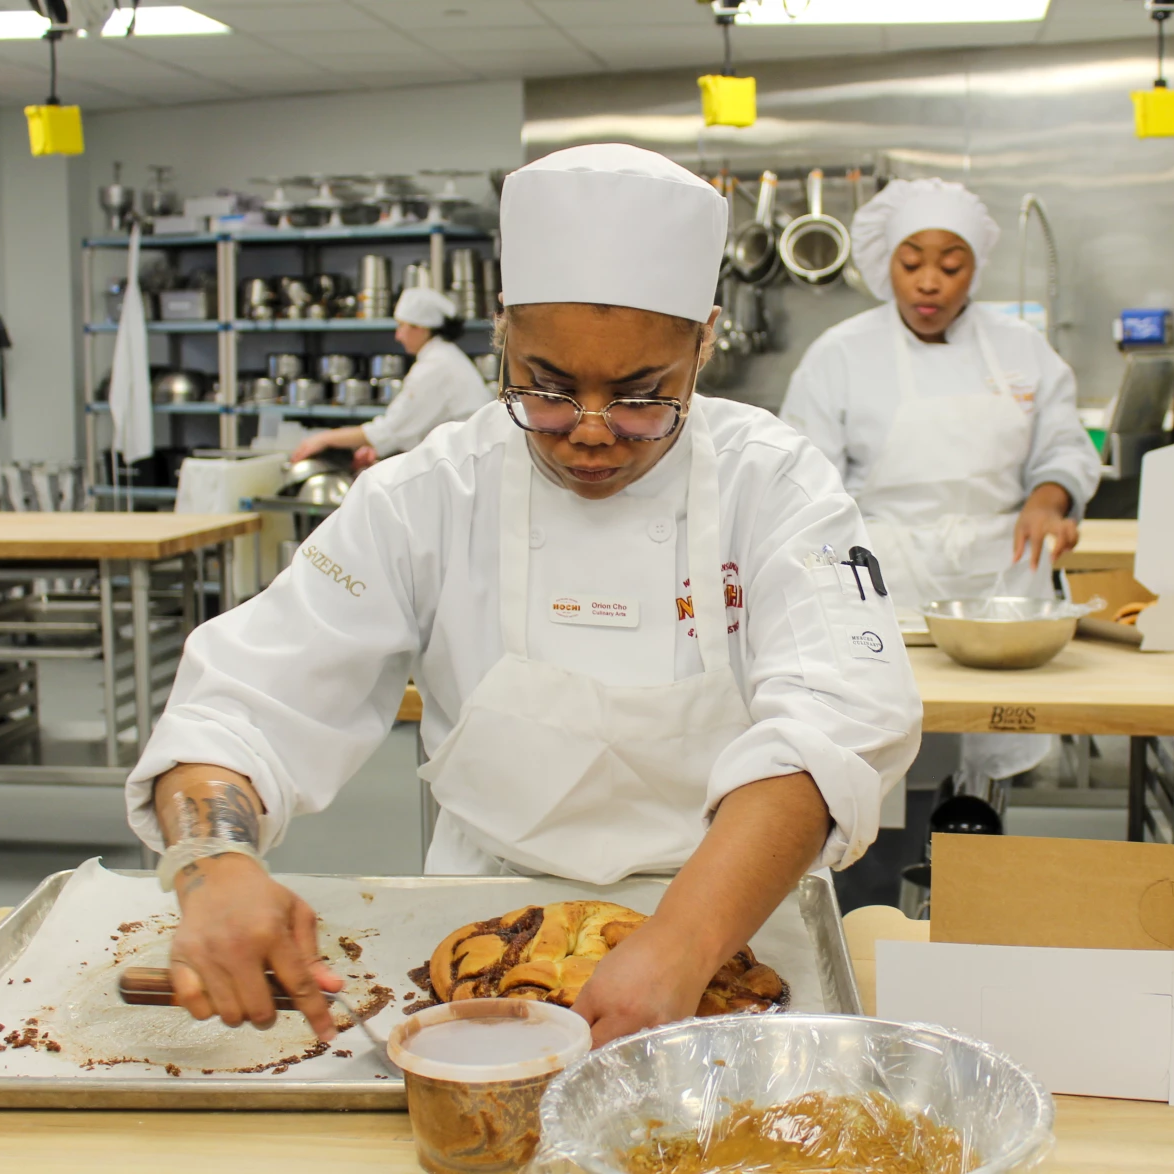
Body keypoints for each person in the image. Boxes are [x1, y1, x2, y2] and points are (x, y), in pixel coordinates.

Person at [125, 144, 922, 1050]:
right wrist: (211, 860)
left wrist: (683, 939)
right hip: (484, 921)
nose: (589, 435)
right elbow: (246, 701)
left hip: (730, 926)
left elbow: (839, 718)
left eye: (640, 398)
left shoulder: (774, 484)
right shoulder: (430, 492)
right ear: (502, 331)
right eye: (544, 390)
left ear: (703, 341)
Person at [780, 177, 1100, 793]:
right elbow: (806, 481)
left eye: (951, 266)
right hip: (883, 589)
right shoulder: (840, 354)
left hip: (1003, 589)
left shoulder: (1021, 348)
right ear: (886, 264)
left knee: (998, 773)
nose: (930, 282)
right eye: (912, 262)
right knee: (894, 773)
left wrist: (1049, 496)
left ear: (974, 270)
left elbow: (1063, 443)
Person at [289, 287, 490, 470]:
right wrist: (380, 449)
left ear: (421, 327)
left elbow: (390, 430)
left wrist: (324, 438)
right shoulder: (443, 357)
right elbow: (412, 430)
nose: (398, 336)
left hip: (467, 467)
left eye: (401, 326)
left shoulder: (435, 367)